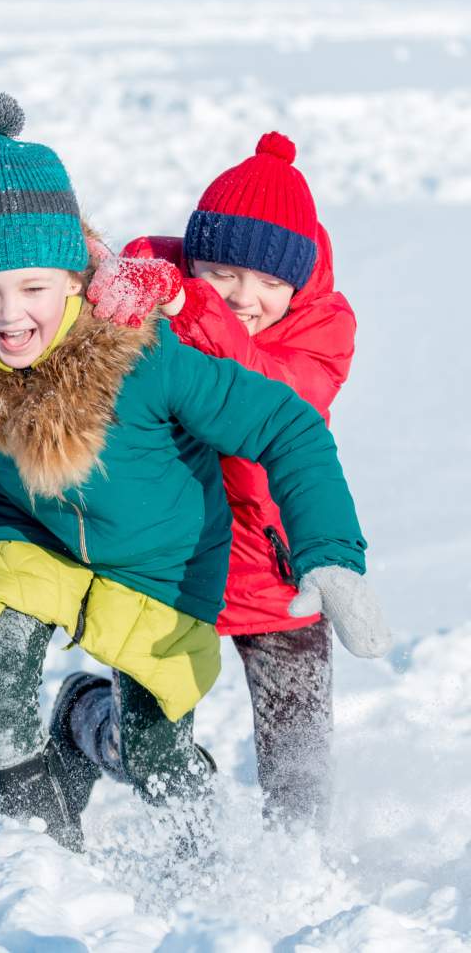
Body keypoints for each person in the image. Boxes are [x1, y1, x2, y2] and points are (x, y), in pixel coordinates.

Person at [0, 93, 390, 852]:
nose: (8, 316)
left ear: (71, 278)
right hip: (49, 540)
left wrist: (330, 551)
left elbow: (288, 413)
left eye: (33, 287)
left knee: (196, 754)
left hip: (213, 557)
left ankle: (256, 868)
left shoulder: (170, 338)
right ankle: (46, 855)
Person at [87, 132, 358, 826]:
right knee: (146, 752)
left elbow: (276, 399)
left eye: (271, 282)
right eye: (224, 274)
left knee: (300, 773)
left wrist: (189, 306)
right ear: (194, 252)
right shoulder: (146, 281)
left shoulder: (321, 329)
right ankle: (86, 723)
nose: (245, 298)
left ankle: (301, 883)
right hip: (165, 564)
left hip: (273, 574)